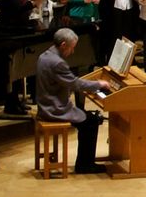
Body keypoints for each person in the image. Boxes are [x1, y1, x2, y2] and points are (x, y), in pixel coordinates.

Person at [35, 28, 110, 174]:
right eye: (71, 48)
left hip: (45, 105)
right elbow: (75, 84)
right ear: (63, 45)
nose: (72, 52)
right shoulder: (57, 63)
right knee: (91, 121)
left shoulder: (45, 55)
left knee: (89, 117)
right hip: (54, 109)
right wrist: (98, 84)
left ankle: (85, 162)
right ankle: (85, 165)